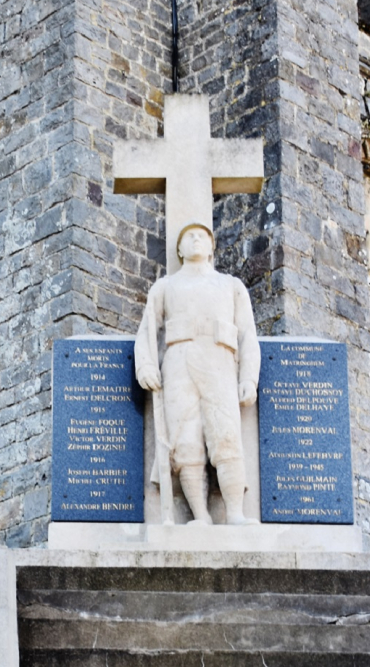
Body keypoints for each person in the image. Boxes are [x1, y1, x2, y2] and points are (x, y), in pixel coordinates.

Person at [135, 222, 261, 524]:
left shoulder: (231, 286)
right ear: (179, 249)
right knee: (185, 440)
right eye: (188, 236)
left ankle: (234, 514)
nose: (194, 239)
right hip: (178, 364)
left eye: (201, 236)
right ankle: (200, 515)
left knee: (226, 437)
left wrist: (248, 378)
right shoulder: (164, 287)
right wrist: (146, 365)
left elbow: (247, 335)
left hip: (219, 362)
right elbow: (147, 330)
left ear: (211, 247)